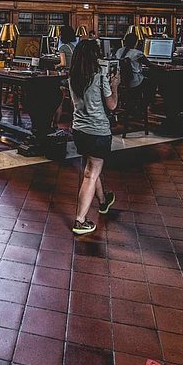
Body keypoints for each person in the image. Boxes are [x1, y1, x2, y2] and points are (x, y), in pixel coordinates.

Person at [69, 39, 118, 235]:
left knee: (91, 168)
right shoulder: (99, 77)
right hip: (97, 130)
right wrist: (115, 85)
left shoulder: (73, 76)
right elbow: (112, 105)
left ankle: (103, 201)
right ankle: (80, 221)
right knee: (90, 173)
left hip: (79, 130)